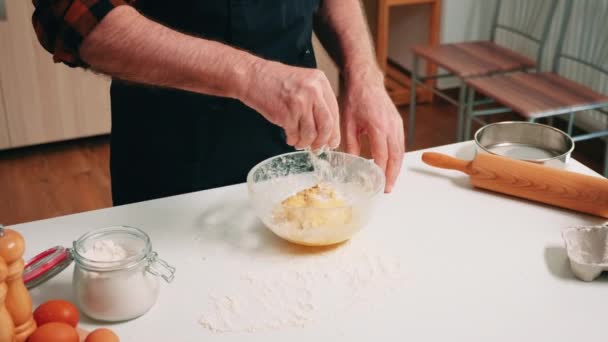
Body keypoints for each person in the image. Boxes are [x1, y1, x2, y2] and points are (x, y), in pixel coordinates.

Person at [32, 0, 405, 205]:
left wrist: (364, 75)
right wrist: (251, 75)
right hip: (174, 154)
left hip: (297, 137)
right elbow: (74, 15)